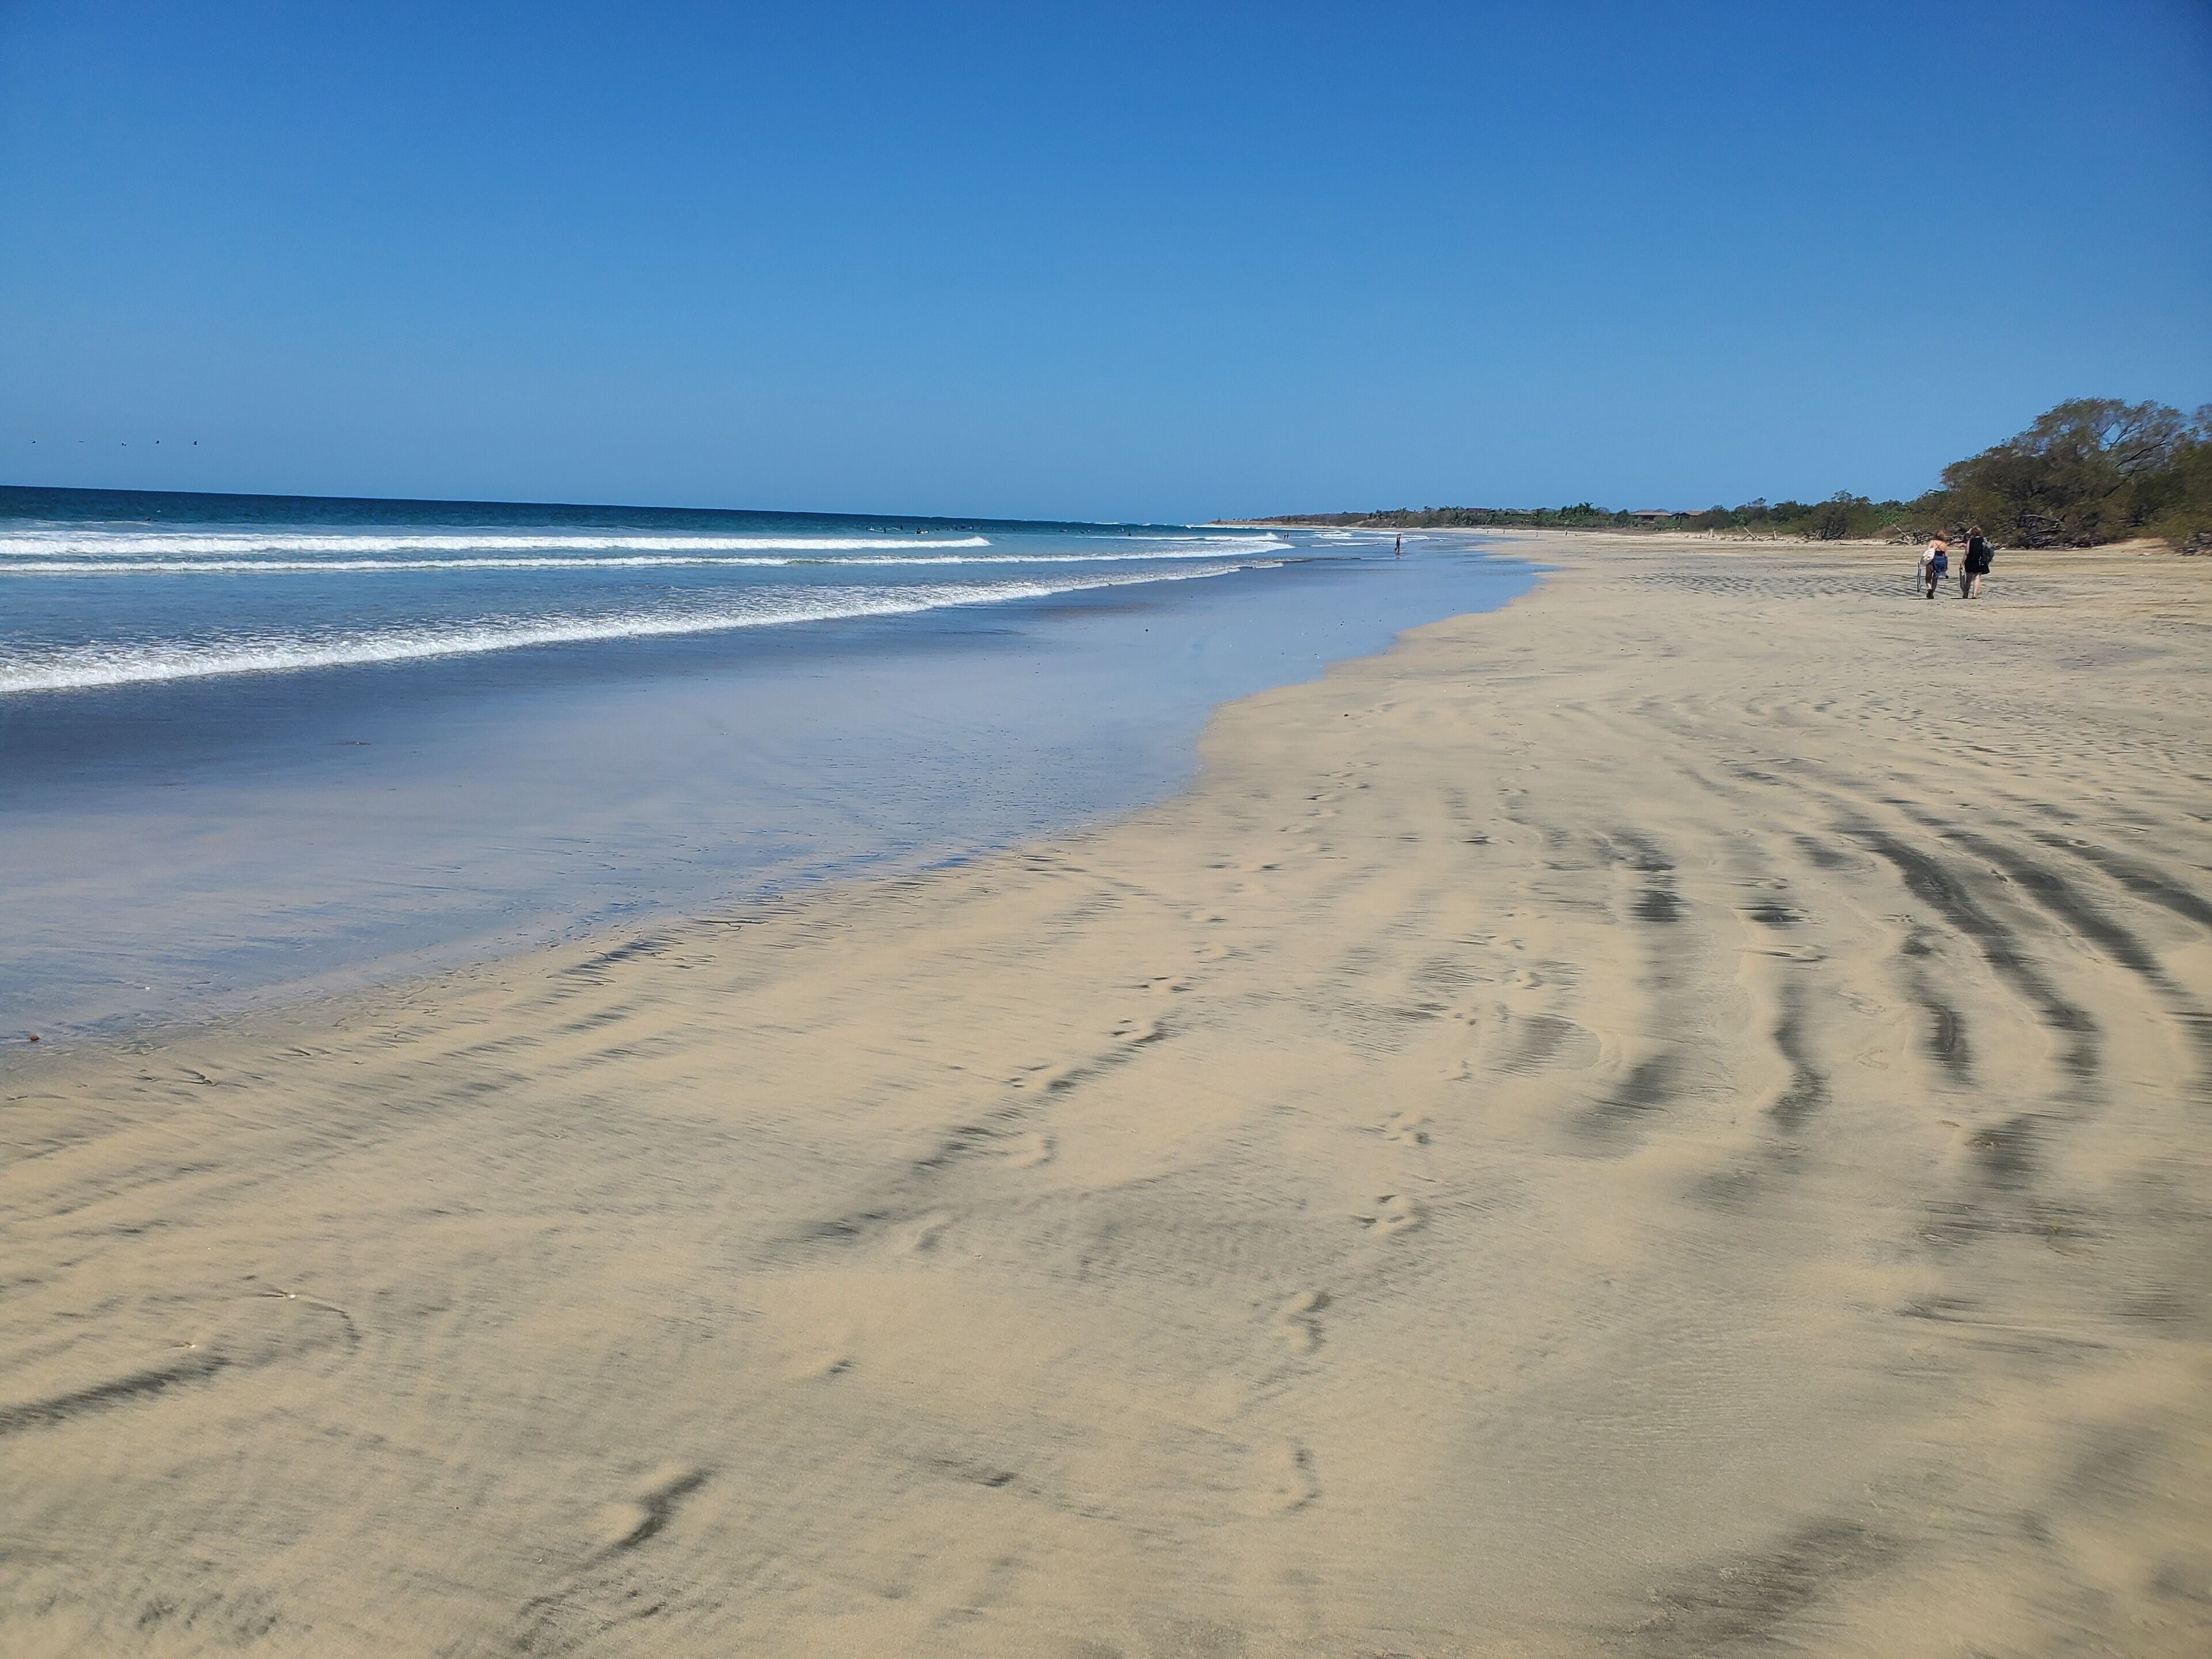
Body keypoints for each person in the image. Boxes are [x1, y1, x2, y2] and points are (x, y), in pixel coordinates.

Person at [1963, 526, 1994, 597]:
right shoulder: (1984, 541)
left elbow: (1967, 553)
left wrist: (1962, 563)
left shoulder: (1970, 541)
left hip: (1970, 561)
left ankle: (1966, 594)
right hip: (1980, 561)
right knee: (1977, 577)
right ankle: (1975, 595)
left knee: (1969, 578)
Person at [1921, 535, 1949, 600]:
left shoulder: (1932, 542)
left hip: (1932, 560)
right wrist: (1945, 566)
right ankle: (1932, 593)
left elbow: (1928, 550)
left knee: (1928, 577)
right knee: (1935, 578)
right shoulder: (1944, 544)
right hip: (1940, 560)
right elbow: (1946, 556)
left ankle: (1929, 587)